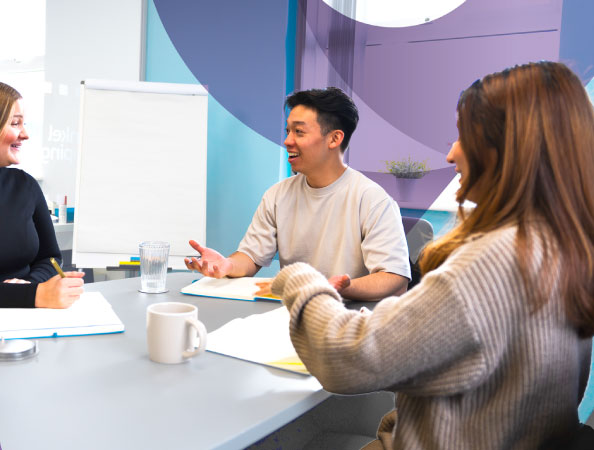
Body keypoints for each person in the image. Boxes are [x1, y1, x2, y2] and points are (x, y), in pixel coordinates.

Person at [269, 61, 594, 449]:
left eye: (463, 137)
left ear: (508, 150)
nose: (451, 154)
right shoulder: (562, 245)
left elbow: (347, 359)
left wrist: (299, 277)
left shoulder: (495, 261)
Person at [185, 87, 410, 301]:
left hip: (348, 318)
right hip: (293, 315)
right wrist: (226, 266)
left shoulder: (372, 199)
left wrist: (337, 287)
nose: (287, 141)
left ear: (334, 138)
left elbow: (394, 278)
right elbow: (251, 257)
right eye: (288, 131)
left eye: (299, 132)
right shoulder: (278, 195)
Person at [0, 77, 84, 309]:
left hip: (25, 316)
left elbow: (50, 258)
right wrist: (31, 295)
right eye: (15, 124)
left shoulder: (25, 185)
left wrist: (29, 286)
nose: (25, 134)